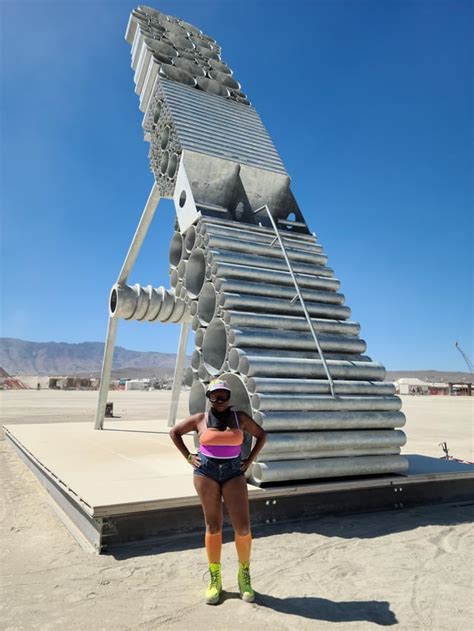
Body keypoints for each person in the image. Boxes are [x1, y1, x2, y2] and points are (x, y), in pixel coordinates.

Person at [169, 378, 267, 605]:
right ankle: (215, 580)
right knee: (213, 526)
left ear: (229, 397)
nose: (220, 400)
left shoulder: (239, 418)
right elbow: (174, 432)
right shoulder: (200, 419)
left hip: (234, 472)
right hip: (206, 473)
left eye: (224, 395)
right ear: (209, 397)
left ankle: (244, 576)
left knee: (242, 528)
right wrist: (188, 456)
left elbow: (262, 435)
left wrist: (249, 460)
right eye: (215, 395)